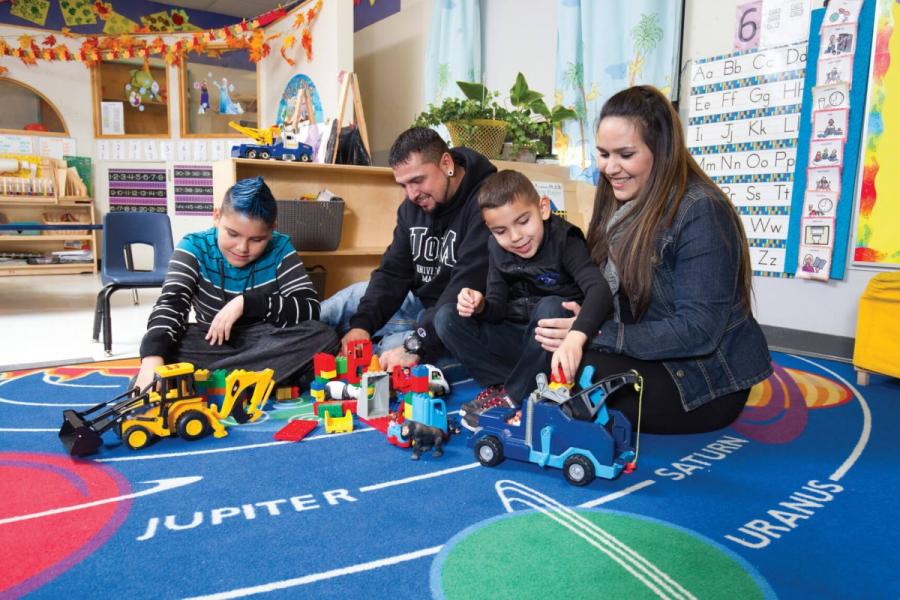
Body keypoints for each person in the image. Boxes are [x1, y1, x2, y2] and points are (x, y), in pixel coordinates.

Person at [534, 85, 772, 434]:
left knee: (577, 373)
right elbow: (613, 293)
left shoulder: (701, 210)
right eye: (603, 154)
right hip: (649, 351)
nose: (610, 167)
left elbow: (698, 331)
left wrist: (594, 332)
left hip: (700, 379)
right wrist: (583, 320)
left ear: (661, 151)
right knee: (552, 347)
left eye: (625, 154)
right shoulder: (619, 199)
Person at [434, 170, 612, 430]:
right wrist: (480, 305)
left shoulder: (565, 240)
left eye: (523, 221)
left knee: (551, 307)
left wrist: (577, 335)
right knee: (446, 317)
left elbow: (599, 289)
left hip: (556, 348)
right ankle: (504, 383)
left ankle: (513, 396)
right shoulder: (496, 248)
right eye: (501, 231)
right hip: (518, 342)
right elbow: (497, 308)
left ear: (543, 208)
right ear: (490, 230)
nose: (515, 237)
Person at [134, 176, 339, 390]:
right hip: (211, 341)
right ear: (216, 216)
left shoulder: (280, 247)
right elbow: (171, 304)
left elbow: (310, 309)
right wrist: (152, 359)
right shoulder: (193, 247)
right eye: (232, 234)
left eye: (257, 240)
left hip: (265, 340)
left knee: (323, 335)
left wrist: (247, 303)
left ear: (271, 230)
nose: (242, 248)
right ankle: (265, 379)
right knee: (162, 344)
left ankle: (210, 382)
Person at [319, 127, 496, 372]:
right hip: (420, 305)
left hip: (458, 318)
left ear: (446, 164)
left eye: (417, 180)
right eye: (403, 185)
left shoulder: (488, 202)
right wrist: (362, 326)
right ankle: (287, 334)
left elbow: (465, 285)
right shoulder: (413, 206)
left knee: (392, 351)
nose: (411, 194)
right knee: (350, 299)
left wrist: (415, 345)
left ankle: (370, 347)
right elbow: (393, 272)